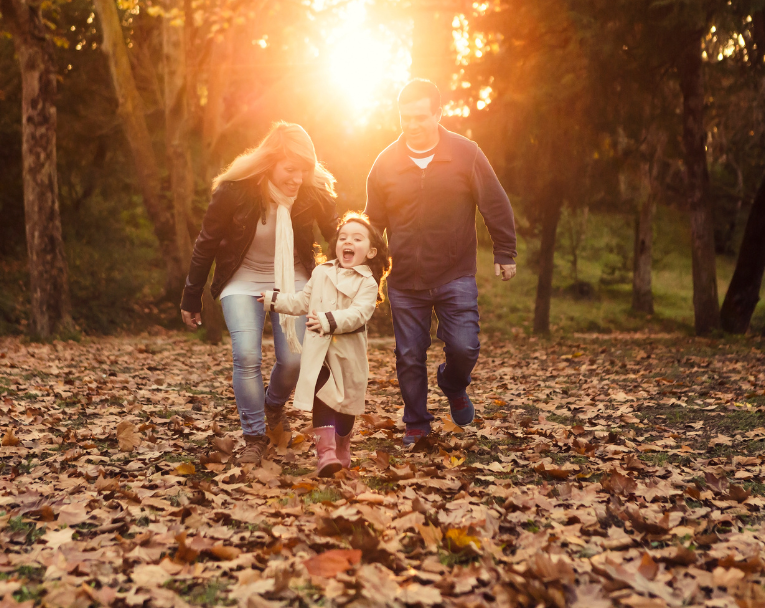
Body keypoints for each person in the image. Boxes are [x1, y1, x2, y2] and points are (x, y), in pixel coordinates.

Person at [364, 79, 517, 447]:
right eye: (406, 118)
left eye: (420, 117)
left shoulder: (466, 154)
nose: (412, 125)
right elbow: (372, 224)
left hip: (455, 273)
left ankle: (452, 383)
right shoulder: (385, 163)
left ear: (438, 113)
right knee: (409, 356)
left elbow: (494, 203)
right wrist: (365, 271)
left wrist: (505, 252)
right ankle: (416, 420)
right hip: (404, 279)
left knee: (465, 346)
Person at [181, 122, 338, 465]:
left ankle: (272, 404)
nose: (297, 178)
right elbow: (205, 244)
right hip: (242, 279)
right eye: (290, 169)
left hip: (293, 279)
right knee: (247, 356)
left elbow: (337, 234)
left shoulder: (311, 195)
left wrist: (356, 270)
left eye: (304, 170)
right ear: (271, 162)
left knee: (293, 359)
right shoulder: (234, 192)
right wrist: (191, 296)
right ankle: (254, 437)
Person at [261, 213, 391, 476]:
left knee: (345, 406)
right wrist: (273, 300)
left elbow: (359, 314)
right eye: (343, 237)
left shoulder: (367, 281)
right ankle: (325, 454)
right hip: (319, 353)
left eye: (357, 238)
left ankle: (342, 445)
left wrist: (327, 320)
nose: (348, 242)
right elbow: (300, 302)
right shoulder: (321, 272)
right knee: (323, 400)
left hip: (348, 355)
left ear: (371, 251)